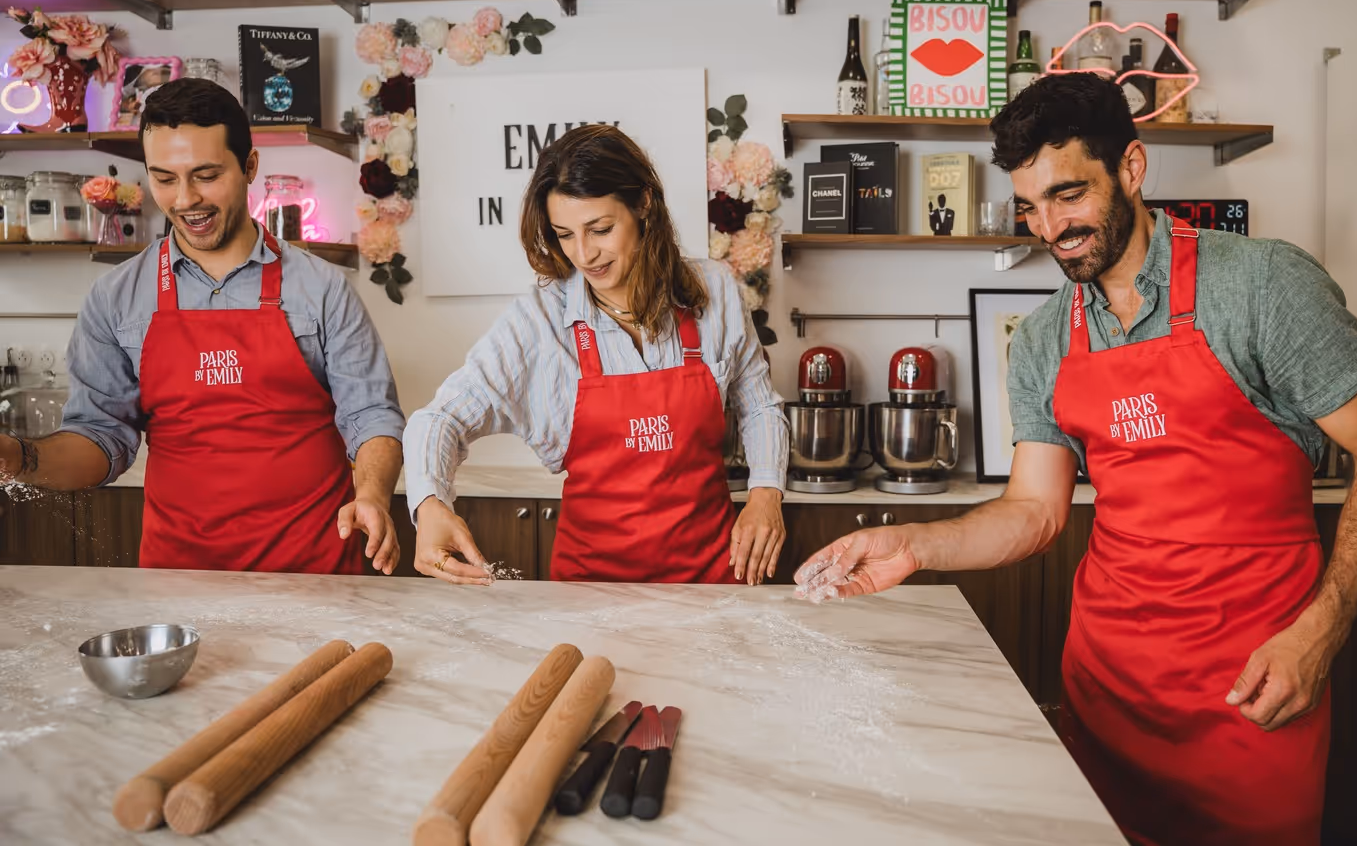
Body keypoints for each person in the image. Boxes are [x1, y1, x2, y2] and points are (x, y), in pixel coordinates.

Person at [793, 72, 1357, 845]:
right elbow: (1034, 510)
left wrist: (1320, 633)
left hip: (1256, 689)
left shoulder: (1262, 285)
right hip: (1109, 696)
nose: (1049, 228)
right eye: (1031, 206)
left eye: (1069, 196)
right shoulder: (1043, 338)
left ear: (1132, 168)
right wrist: (914, 545)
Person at [0, 78, 406, 575]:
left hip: (315, 572)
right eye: (165, 178)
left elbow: (372, 417)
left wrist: (371, 494)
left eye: (206, 175)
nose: (185, 199)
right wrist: (18, 458)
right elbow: (100, 438)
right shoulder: (116, 299)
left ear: (250, 167)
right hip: (180, 578)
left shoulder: (321, 289)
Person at [405, 124, 788, 587]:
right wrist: (429, 504)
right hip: (590, 597)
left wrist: (767, 492)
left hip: (709, 581)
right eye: (565, 235)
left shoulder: (714, 291)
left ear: (644, 204)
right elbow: (440, 418)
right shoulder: (540, 322)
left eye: (600, 229)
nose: (584, 255)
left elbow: (759, 403)